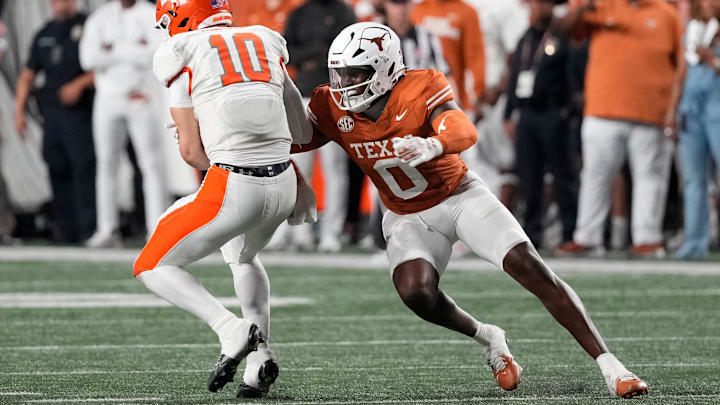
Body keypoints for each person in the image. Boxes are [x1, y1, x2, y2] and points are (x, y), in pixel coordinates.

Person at [294, 21, 648, 399]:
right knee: (416, 293)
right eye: (340, 73)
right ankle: (488, 336)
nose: (344, 82)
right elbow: (294, 140)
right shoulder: (329, 104)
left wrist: (434, 145)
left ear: (384, 70)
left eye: (355, 73)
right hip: (406, 214)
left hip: (459, 197)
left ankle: (612, 366)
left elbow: (464, 129)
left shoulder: (420, 85)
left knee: (531, 268)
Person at [135, 0, 315, 399]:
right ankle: (259, 359)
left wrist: (207, 133)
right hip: (285, 184)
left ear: (179, 16)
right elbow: (301, 132)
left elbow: (191, 154)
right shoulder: (266, 40)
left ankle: (230, 329)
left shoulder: (181, 52)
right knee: (243, 255)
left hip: (236, 184)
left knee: (151, 264)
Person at [555, 0, 685, 257]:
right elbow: (563, 31)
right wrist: (583, 7)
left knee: (650, 179)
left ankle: (647, 239)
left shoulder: (667, 14)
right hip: (603, 110)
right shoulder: (601, 6)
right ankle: (588, 238)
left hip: (652, 113)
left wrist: (673, 109)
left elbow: (681, 64)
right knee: (595, 176)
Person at [80, 0, 170, 247]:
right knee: (106, 163)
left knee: (150, 163)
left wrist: (112, 50)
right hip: (107, 97)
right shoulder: (100, 18)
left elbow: (160, 52)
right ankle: (107, 228)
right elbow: (88, 59)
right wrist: (132, 49)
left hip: (141, 95)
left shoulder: (152, 14)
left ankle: (156, 228)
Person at [14, 0, 96, 244]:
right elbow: (28, 74)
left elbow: (105, 65)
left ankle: (89, 228)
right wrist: (18, 111)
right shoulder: (45, 32)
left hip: (80, 113)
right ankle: (65, 229)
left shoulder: (89, 26)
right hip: (51, 114)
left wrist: (79, 84)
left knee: (83, 169)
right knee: (56, 167)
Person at [279, 0, 357, 252]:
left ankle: (330, 233)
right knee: (300, 168)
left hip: (335, 98)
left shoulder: (344, 13)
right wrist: (318, 52)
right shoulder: (299, 14)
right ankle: (300, 232)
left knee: (334, 169)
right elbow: (285, 53)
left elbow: (350, 57)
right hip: (302, 97)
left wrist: (312, 59)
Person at [504, 0, 578, 249]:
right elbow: (515, 75)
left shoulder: (560, 37)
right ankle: (531, 234)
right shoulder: (525, 38)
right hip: (527, 115)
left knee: (562, 174)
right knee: (529, 176)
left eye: (540, 4)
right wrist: (509, 113)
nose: (535, 9)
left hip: (551, 112)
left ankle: (570, 231)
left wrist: (564, 111)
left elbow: (570, 75)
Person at [675, 0, 720, 259]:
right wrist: (673, 109)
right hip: (692, 110)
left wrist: (712, 60)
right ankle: (694, 242)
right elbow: (682, 73)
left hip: (716, 107)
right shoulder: (691, 30)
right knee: (693, 180)